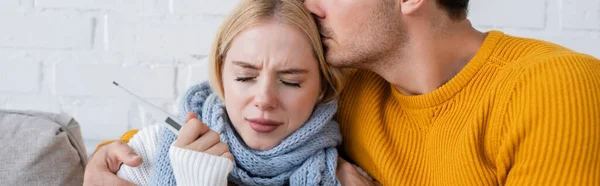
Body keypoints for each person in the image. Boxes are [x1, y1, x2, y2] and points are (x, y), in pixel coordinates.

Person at [85, 0, 600, 185]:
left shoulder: (554, 88)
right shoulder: (344, 86)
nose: (311, 4)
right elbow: (226, 135)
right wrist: (108, 156)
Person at [102, 0, 354, 185]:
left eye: (290, 81)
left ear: (322, 88)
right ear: (221, 74)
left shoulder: (342, 174)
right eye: (245, 77)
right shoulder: (144, 155)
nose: (264, 100)